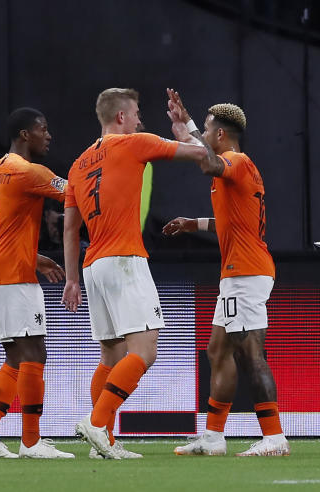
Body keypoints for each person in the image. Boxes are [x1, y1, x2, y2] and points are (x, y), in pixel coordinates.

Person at [63, 88, 211, 459]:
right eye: (137, 113)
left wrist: (71, 280)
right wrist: (184, 128)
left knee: (111, 356)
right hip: (125, 259)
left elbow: (68, 229)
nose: (141, 119)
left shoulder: (78, 164)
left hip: (92, 265)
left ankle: (104, 443)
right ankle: (98, 422)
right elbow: (204, 155)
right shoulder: (134, 143)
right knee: (144, 352)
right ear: (121, 119)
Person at [162, 90, 290, 457]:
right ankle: (214, 437)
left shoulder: (237, 161)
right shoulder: (236, 168)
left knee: (251, 353)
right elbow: (232, 221)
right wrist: (193, 223)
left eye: (205, 130)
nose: (202, 136)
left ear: (220, 135)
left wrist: (185, 130)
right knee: (217, 351)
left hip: (246, 274)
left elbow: (208, 163)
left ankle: (274, 437)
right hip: (238, 273)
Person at [0, 107, 73, 459]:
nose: (49, 135)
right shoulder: (30, 172)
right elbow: (77, 196)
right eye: (43, 129)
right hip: (12, 275)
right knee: (34, 353)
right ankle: (31, 441)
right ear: (25, 135)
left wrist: (32, 255)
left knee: (15, 357)